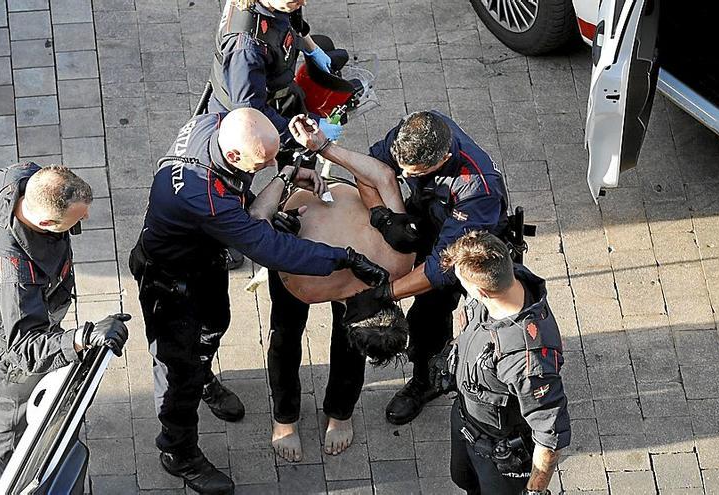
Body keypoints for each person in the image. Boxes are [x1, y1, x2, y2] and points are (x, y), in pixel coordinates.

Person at [128, 108, 388, 494]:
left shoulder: (214, 126)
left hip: (202, 263)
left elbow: (249, 192)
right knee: (177, 370)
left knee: (216, 323)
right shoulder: (205, 198)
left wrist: (284, 170)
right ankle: (177, 451)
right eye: (262, 161)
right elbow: (270, 248)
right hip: (169, 285)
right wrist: (344, 258)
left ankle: (205, 377)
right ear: (234, 157)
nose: (269, 163)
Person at [291, 110, 511, 425]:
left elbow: (443, 266)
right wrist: (381, 213)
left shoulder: (477, 189)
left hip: (470, 247)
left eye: (413, 171)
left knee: (430, 316)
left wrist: (385, 294)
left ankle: (428, 380)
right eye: (402, 165)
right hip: (426, 218)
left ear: (443, 158)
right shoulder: (414, 133)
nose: (404, 173)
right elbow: (373, 172)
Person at [0, 163, 131, 477]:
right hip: (7, 346)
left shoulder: (20, 178)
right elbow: (24, 348)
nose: (85, 221)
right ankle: (14, 476)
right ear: (44, 222)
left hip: (26, 312)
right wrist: (82, 338)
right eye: (77, 219)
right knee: (14, 423)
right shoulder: (13, 274)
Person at [267, 173, 414, 462]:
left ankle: (340, 410)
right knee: (285, 334)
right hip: (299, 245)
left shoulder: (400, 265)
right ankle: (285, 415)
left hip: (335, 228)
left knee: (350, 349)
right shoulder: (306, 286)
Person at [433, 230, 569, 495]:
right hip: (466, 419)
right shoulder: (503, 276)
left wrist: (535, 490)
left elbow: (549, 436)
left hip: (499, 452)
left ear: (482, 291)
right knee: (462, 478)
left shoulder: (528, 360)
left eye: (461, 281)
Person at [208, 0, 343, 147]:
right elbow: (251, 116)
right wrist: (308, 130)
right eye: (295, 1)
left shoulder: (275, 4)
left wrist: (312, 49)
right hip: (248, 121)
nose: (304, 3)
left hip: (277, 89)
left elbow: (292, 20)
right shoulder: (246, 50)